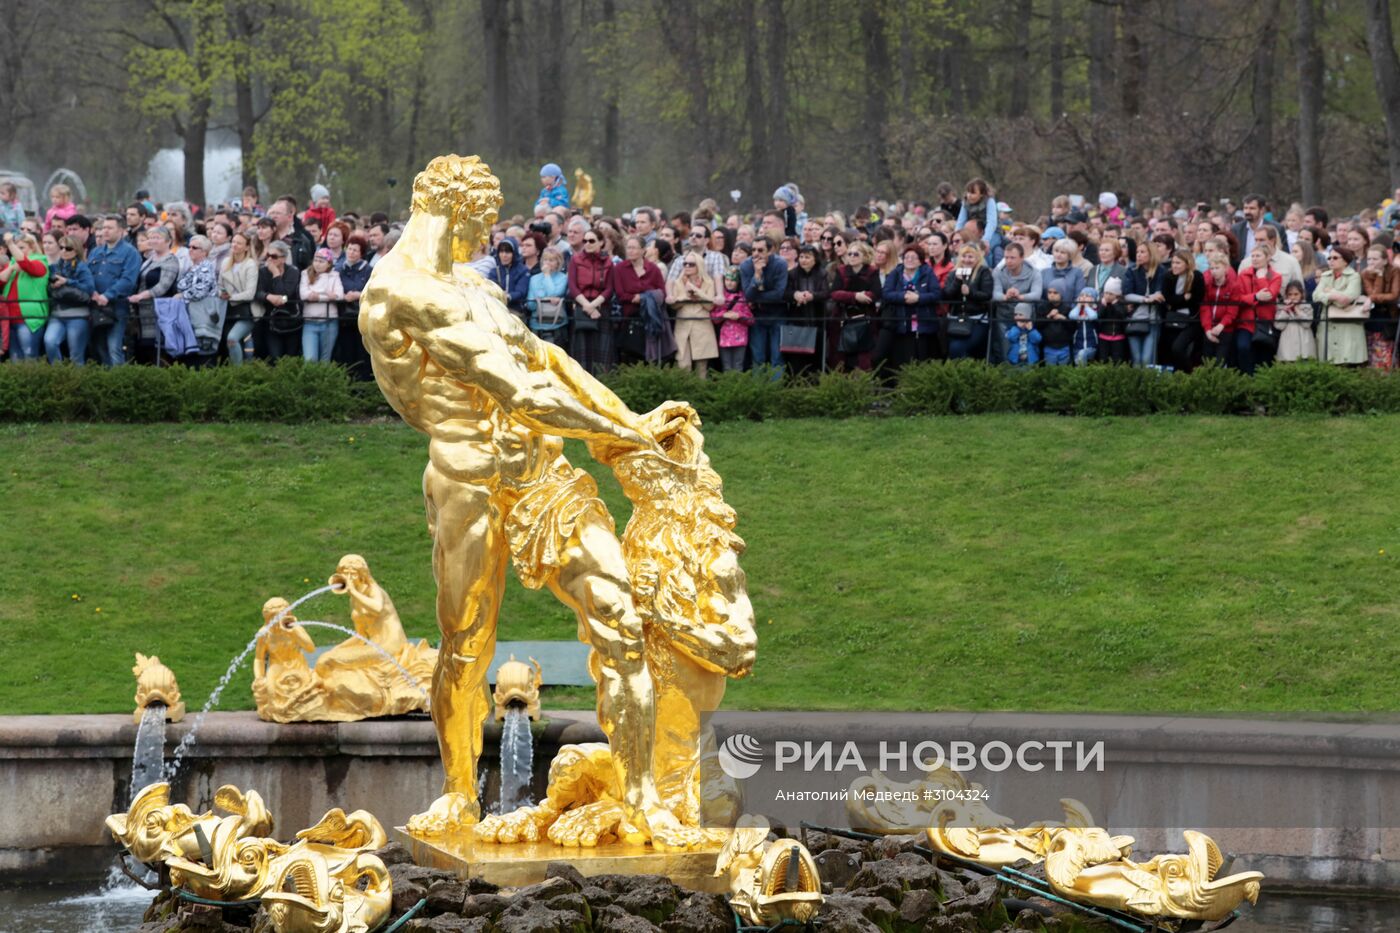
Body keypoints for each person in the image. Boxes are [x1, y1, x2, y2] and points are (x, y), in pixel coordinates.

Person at [87, 216, 142, 366]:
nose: (105, 231)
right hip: (95, 307)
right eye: (104, 227)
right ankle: (106, 382)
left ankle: (119, 382)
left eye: (110, 228)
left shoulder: (130, 253)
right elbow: (87, 275)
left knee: (114, 347)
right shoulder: (96, 252)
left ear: (121, 231)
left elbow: (128, 281)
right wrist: (92, 292)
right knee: (99, 347)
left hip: (117, 307)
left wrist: (108, 295)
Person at [567, 227, 615, 375]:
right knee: (581, 354)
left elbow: (609, 288)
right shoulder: (575, 260)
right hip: (582, 306)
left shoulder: (608, 262)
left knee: (601, 356)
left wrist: (594, 306)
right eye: (585, 241)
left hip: (601, 309)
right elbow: (573, 286)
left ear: (601, 243)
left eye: (591, 240)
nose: (587, 243)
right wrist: (587, 306)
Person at [738, 234, 789, 377]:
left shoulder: (780, 264)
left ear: (770, 250)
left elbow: (779, 294)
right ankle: (758, 392)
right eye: (753, 250)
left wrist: (757, 299)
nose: (756, 254)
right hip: (757, 317)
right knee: (758, 357)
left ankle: (775, 392)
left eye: (760, 250)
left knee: (777, 358)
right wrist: (757, 275)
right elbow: (747, 295)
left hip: (778, 315)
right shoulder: (746, 265)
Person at [129, 226, 180, 363]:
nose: (153, 240)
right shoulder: (150, 259)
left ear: (168, 241)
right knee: (143, 349)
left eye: (157, 238)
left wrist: (140, 296)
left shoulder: (171, 260)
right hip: (142, 311)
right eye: (151, 237)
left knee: (157, 349)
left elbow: (162, 287)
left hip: (159, 311)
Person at [667, 250, 719, 378]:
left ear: (699, 265)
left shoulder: (709, 282)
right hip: (683, 327)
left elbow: (710, 306)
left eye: (691, 264)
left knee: (702, 369)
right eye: (685, 264)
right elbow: (674, 305)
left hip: (702, 328)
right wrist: (685, 296)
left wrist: (696, 292)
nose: (687, 267)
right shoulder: (678, 282)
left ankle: (700, 396)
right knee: (683, 367)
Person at [44, 234, 94, 364]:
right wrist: (53, 285)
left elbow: (89, 288)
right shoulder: (54, 267)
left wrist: (67, 281)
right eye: (61, 247)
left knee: (76, 355)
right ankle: (59, 377)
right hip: (57, 314)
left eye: (68, 248)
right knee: (49, 342)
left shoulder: (82, 267)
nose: (64, 251)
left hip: (78, 315)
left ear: (76, 250)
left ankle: (78, 383)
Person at [830, 240, 880, 369]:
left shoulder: (872, 271)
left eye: (856, 254)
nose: (851, 256)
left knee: (864, 359)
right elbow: (834, 293)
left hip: (866, 319)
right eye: (849, 254)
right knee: (840, 359)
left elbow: (876, 294)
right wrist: (855, 296)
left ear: (865, 256)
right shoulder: (841, 271)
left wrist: (864, 296)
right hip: (842, 319)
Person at [992, 242, 1042, 365]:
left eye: (1012, 258)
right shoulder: (998, 271)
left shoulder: (1034, 272)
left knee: (1029, 351)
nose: (1008, 261)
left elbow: (1037, 294)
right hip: (1004, 316)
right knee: (1006, 350)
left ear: (1022, 257)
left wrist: (1020, 296)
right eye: (1006, 257)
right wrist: (1005, 296)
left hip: (1026, 318)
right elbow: (995, 294)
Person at [0, 234, 48, 359]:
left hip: (28, 319)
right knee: (15, 357)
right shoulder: (12, 263)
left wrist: (10, 244)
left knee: (29, 355)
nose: (17, 251)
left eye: (21, 248)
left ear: (32, 247)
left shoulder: (40, 262)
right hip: (9, 318)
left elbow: (26, 264)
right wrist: (10, 269)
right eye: (16, 248)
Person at [784, 244, 829, 376]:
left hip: (816, 321)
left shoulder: (822, 273)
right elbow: (784, 293)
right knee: (796, 359)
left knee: (815, 358)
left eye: (807, 257)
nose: (803, 260)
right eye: (801, 257)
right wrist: (795, 295)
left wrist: (813, 296)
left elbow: (826, 293)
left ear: (815, 259)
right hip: (796, 322)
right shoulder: (791, 274)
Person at [1316, 247, 1366, 365]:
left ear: (1345, 261)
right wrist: (1336, 297)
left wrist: (1330, 292)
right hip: (1327, 324)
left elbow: (1348, 298)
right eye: (1329, 258)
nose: (1331, 260)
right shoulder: (1325, 276)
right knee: (1328, 364)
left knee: (1347, 363)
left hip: (1348, 325)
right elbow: (1316, 295)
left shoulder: (1354, 276)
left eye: (1335, 258)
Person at [333, 233, 373, 378]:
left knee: (361, 352)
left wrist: (358, 295)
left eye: (355, 250)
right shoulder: (338, 268)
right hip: (343, 317)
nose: (351, 252)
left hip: (360, 317)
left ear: (361, 253)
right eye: (349, 249)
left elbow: (372, 290)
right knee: (345, 352)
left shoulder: (368, 270)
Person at [177, 234, 222, 362]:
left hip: (202, 318)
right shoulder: (193, 267)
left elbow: (199, 291)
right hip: (191, 317)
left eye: (194, 247)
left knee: (201, 356)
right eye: (189, 246)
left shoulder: (205, 268)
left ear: (204, 252)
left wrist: (182, 295)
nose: (190, 249)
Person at [1237, 244, 1280, 372]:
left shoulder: (1276, 276)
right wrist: (1255, 297)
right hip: (1246, 322)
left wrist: (1261, 278)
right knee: (1243, 348)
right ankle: (1247, 380)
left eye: (1258, 256)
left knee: (1264, 357)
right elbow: (1238, 298)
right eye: (1253, 256)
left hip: (1265, 323)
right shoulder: (1243, 275)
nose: (1254, 259)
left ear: (1268, 258)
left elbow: (1269, 296)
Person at [946, 243, 993, 360]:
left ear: (977, 258)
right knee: (954, 349)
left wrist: (970, 292)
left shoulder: (984, 272)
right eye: (964, 256)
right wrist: (957, 281)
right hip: (956, 320)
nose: (966, 260)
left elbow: (987, 295)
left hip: (977, 320)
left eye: (970, 257)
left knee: (958, 348)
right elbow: (947, 295)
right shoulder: (953, 273)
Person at [257, 240, 302, 361]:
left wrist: (276, 274)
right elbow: (257, 292)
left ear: (283, 258)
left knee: (290, 359)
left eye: (274, 256)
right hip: (271, 321)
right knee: (275, 357)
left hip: (291, 320)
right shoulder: (262, 271)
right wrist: (268, 296)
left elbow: (286, 294)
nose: (270, 259)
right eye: (268, 256)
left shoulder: (293, 271)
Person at [1161, 249, 1205, 372]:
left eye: (1178, 263)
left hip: (1191, 320)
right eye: (1173, 262)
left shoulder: (1197, 276)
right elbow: (1168, 299)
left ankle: (1190, 374)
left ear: (1187, 263)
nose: (1174, 266)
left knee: (1178, 348)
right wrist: (1183, 298)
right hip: (1172, 318)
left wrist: (1176, 302)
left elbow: (1197, 299)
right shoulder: (1168, 276)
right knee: (1169, 350)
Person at [219, 231, 259, 365]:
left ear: (247, 247)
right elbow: (219, 285)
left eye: (239, 243)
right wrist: (221, 293)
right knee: (227, 345)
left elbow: (250, 293)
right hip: (227, 310)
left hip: (246, 312)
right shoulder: (225, 262)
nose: (234, 245)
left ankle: (238, 373)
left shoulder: (250, 264)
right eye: (233, 242)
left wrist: (231, 297)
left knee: (232, 338)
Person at [299, 247, 344, 362]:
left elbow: (339, 295)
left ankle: (325, 380)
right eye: (316, 260)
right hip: (310, 321)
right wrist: (327, 295)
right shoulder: (305, 274)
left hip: (329, 322)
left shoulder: (334, 275)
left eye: (321, 261)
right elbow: (304, 294)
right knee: (310, 360)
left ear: (329, 264)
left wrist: (317, 296)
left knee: (325, 359)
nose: (317, 264)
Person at [1360, 243, 1400, 368]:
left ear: (1384, 260)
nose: (1371, 262)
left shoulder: (1395, 271)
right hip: (1372, 315)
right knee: (1371, 351)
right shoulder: (1365, 273)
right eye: (1369, 259)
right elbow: (1373, 293)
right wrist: (1379, 276)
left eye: (1375, 259)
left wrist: (1371, 298)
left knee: (1386, 352)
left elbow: (1394, 295)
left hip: (1390, 315)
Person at [1200, 255, 1243, 369]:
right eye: (1211, 268)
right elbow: (1205, 309)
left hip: (1226, 330)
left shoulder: (1234, 286)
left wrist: (1221, 325)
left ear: (1226, 268)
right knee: (1207, 363)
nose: (1214, 271)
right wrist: (1207, 329)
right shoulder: (1207, 285)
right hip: (1209, 329)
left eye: (1217, 268)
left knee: (1220, 363)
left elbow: (1232, 311)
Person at [526, 246, 570, 348]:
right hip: (537, 323)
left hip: (557, 324)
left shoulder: (563, 278)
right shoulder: (534, 279)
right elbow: (531, 304)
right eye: (545, 259)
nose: (547, 263)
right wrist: (546, 299)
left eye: (551, 260)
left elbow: (553, 293)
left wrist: (546, 275)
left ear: (558, 262)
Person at [712, 267, 753, 372]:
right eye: (727, 280)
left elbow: (751, 320)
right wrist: (723, 315)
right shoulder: (720, 297)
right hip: (724, 338)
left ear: (738, 281)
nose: (729, 283)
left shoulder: (743, 297)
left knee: (738, 365)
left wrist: (739, 316)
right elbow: (713, 317)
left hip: (740, 337)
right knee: (726, 366)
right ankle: (727, 388)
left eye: (733, 280)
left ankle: (737, 388)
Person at [487, 237, 531, 326]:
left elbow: (521, 292)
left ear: (514, 253)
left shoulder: (522, 271)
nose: (504, 255)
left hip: (515, 311)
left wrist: (508, 296)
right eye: (501, 252)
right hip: (497, 312)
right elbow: (490, 289)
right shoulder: (494, 271)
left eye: (508, 252)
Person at [1275, 281, 1317, 363]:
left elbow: (1307, 324)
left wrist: (1297, 310)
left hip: (1304, 345)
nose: (1293, 297)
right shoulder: (1282, 307)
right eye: (1290, 294)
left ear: (1301, 294)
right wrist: (1286, 311)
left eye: (1296, 294)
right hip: (1287, 345)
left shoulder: (1307, 306)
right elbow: (1278, 325)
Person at [1038, 285, 1073, 365]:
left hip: (1064, 346)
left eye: (1055, 292)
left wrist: (1063, 318)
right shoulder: (1042, 308)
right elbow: (1038, 325)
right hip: (1048, 346)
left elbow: (1073, 328)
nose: (1052, 295)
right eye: (1049, 292)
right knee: (1050, 372)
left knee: (1064, 372)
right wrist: (1048, 316)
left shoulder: (1067, 309)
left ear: (1061, 294)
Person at [1069, 286, 1099, 366]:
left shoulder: (1095, 309)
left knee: (1082, 355)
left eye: (1087, 296)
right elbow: (1072, 316)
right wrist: (1079, 305)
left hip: (1091, 345)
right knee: (1078, 361)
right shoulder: (1077, 309)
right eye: (1082, 295)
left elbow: (1093, 316)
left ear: (1093, 299)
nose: (1084, 297)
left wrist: (1086, 306)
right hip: (1077, 345)